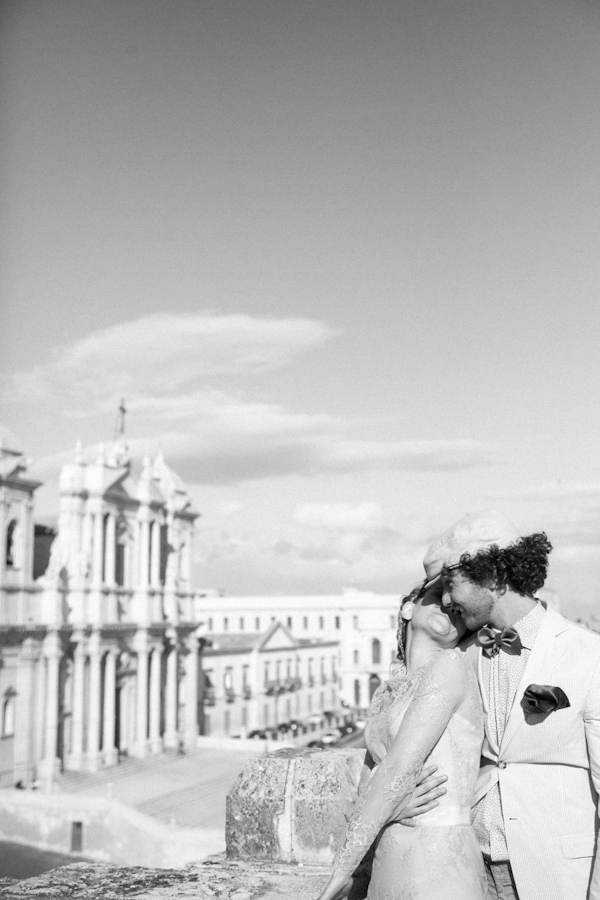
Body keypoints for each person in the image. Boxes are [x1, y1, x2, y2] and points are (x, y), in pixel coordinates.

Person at [417, 509, 600, 900]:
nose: (446, 600)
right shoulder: (462, 657)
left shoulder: (589, 655)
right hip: (468, 871)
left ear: (495, 577)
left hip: (559, 878)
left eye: (452, 584)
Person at [316, 577, 487, 900]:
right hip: (387, 861)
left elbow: (398, 768)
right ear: (409, 606)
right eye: (439, 596)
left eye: (459, 610)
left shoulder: (451, 666)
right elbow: (367, 789)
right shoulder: (388, 692)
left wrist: (338, 875)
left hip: (438, 859)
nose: (448, 607)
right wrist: (391, 810)